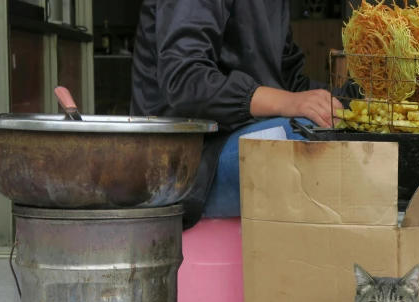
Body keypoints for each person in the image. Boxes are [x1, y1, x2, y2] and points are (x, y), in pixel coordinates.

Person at [131, 0, 356, 228]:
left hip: (240, 132)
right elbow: (185, 79)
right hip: (185, 159)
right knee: (309, 143)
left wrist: (358, 102)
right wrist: (287, 101)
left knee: (356, 130)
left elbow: (291, 85)